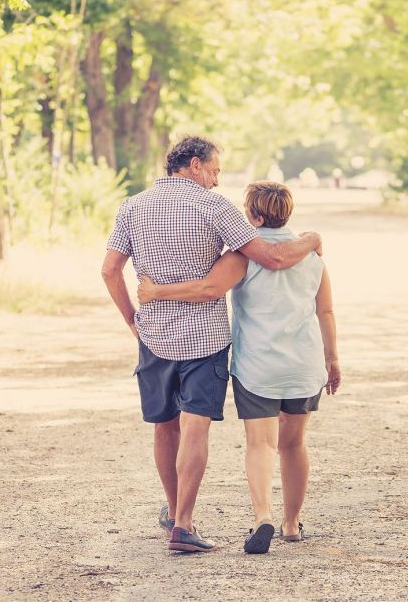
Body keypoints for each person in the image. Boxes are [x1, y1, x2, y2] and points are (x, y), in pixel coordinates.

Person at [101, 137, 322, 553]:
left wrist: (133, 318)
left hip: (153, 337)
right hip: (204, 339)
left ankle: (174, 513)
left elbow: (110, 269)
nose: (218, 182)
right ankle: (183, 523)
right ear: (196, 165)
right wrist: (311, 240)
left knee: (163, 426)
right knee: (194, 428)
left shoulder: (132, 206)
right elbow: (272, 257)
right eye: (217, 171)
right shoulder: (215, 208)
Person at [137, 181, 341, 554]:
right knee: (294, 443)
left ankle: (262, 516)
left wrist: (155, 293)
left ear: (255, 215)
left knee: (260, 444)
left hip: (258, 368)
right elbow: (325, 311)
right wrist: (332, 359)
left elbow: (207, 289)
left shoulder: (243, 256)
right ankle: (292, 524)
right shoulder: (313, 256)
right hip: (304, 365)